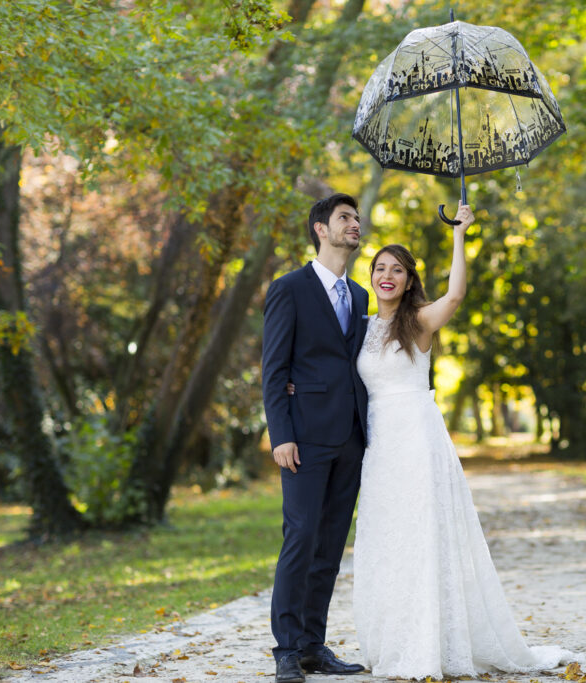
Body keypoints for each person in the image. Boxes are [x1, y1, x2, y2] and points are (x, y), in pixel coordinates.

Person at [349, 202, 575, 679]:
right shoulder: (362, 329)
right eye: (380, 268)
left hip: (417, 439)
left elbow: (455, 294)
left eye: (397, 270)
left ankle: (430, 644)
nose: (387, 276)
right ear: (371, 276)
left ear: (409, 280)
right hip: (381, 446)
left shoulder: (419, 321)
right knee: (387, 541)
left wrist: (458, 234)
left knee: (422, 536)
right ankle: (393, 641)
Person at [260, 193, 369, 683]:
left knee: (329, 547)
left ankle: (311, 646)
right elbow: (273, 369)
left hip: (350, 438)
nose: (355, 224)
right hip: (303, 439)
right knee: (300, 538)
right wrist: (280, 435)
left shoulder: (361, 295)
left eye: (357, 218)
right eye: (345, 217)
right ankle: (286, 648)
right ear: (321, 229)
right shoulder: (289, 288)